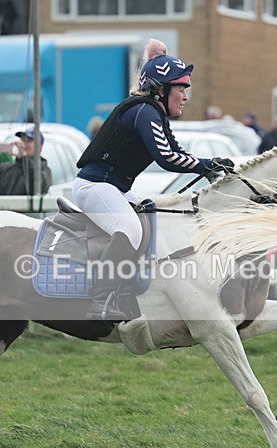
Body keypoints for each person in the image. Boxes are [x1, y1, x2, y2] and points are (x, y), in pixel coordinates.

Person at [73, 38, 235, 321]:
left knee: (152, 216)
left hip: (113, 187)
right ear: (161, 89)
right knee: (130, 229)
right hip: (95, 186)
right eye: (181, 88)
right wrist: (206, 165)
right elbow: (166, 158)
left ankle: (132, 289)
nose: (185, 96)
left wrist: (207, 166)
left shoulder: (154, 113)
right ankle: (100, 300)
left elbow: (176, 151)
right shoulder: (144, 111)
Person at [0, 126, 52, 196]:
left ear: (40, 147)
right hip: (4, 214)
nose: (23, 144)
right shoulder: (6, 169)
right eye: (22, 140)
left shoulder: (44, 171)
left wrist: (24, 158)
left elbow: (38, 187)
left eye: (29, 141)